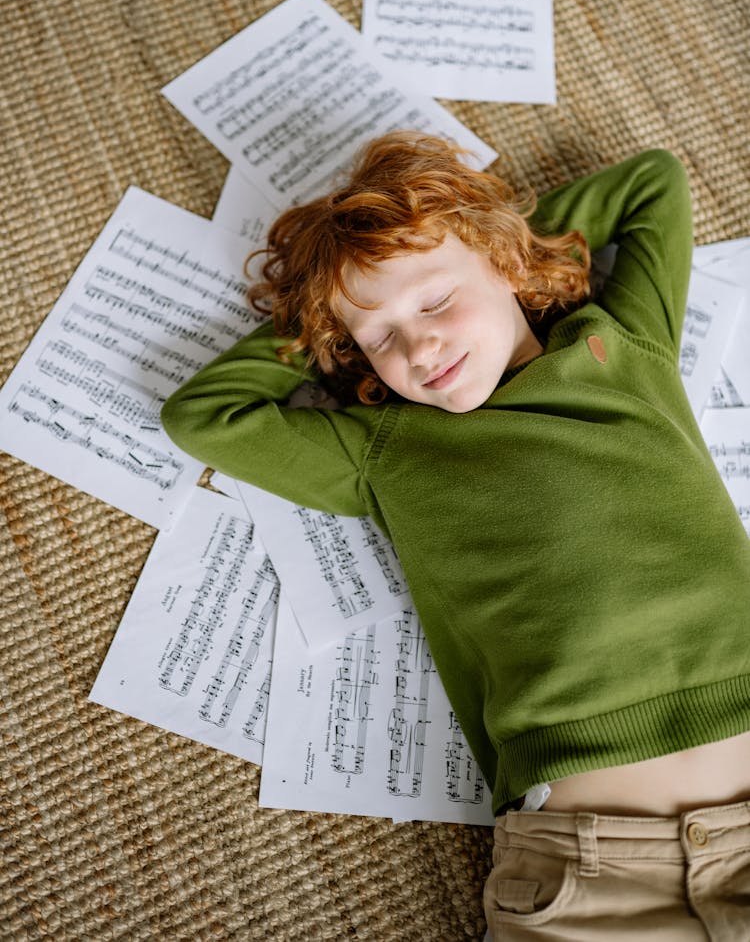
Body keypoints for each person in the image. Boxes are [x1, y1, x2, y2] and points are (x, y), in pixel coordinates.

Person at [161, 132, 750, 939]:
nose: (419, 345)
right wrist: (318, 312)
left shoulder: (622, 342)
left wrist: (493, 230)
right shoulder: (385, 449)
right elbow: (204, 415)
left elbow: (654, 183)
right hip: (591, 872)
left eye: (436, 301)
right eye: (377, 337)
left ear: (506, 263)